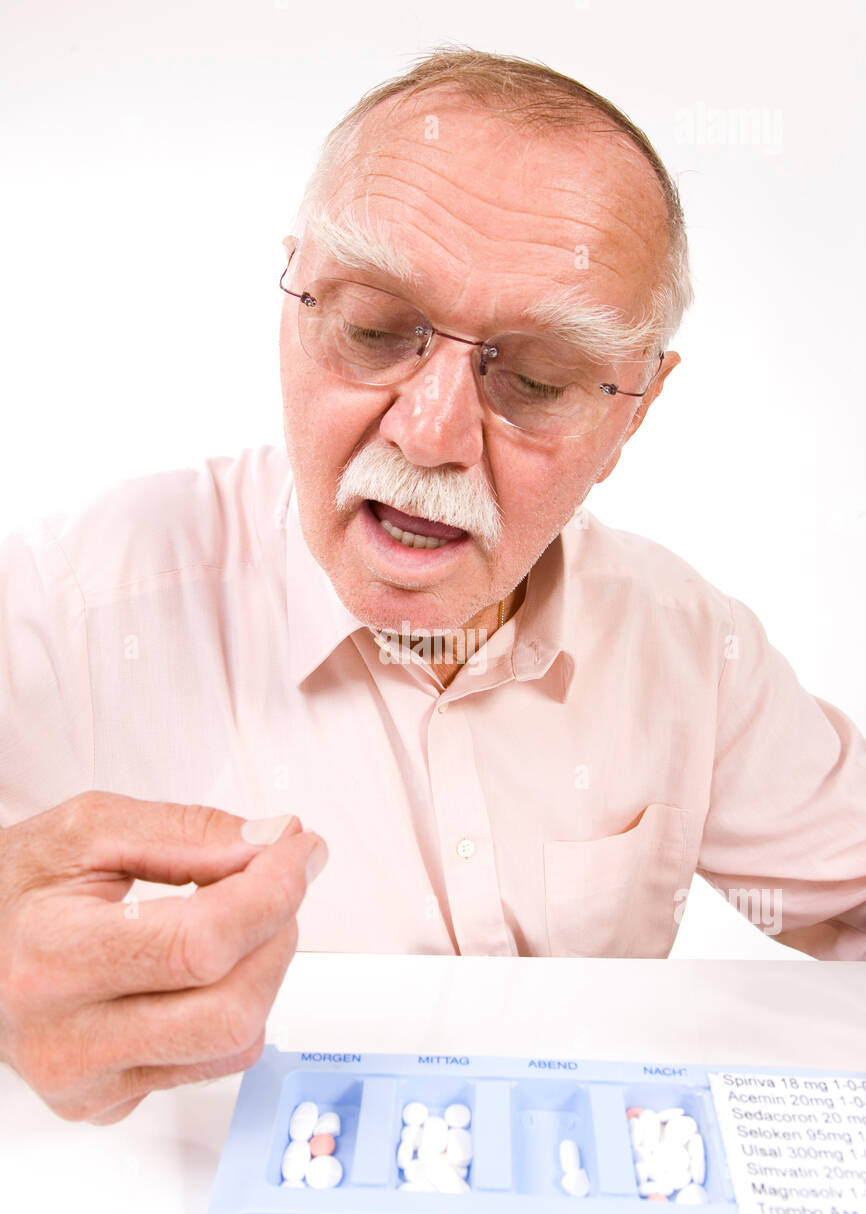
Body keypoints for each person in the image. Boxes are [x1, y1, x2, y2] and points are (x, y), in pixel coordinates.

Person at [1, 47, 864, 1125]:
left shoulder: (690, 650)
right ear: (293, 303)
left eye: (536, 379)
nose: (430, 432)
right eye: (372, 328)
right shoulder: (66, 608)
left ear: (633, 411)